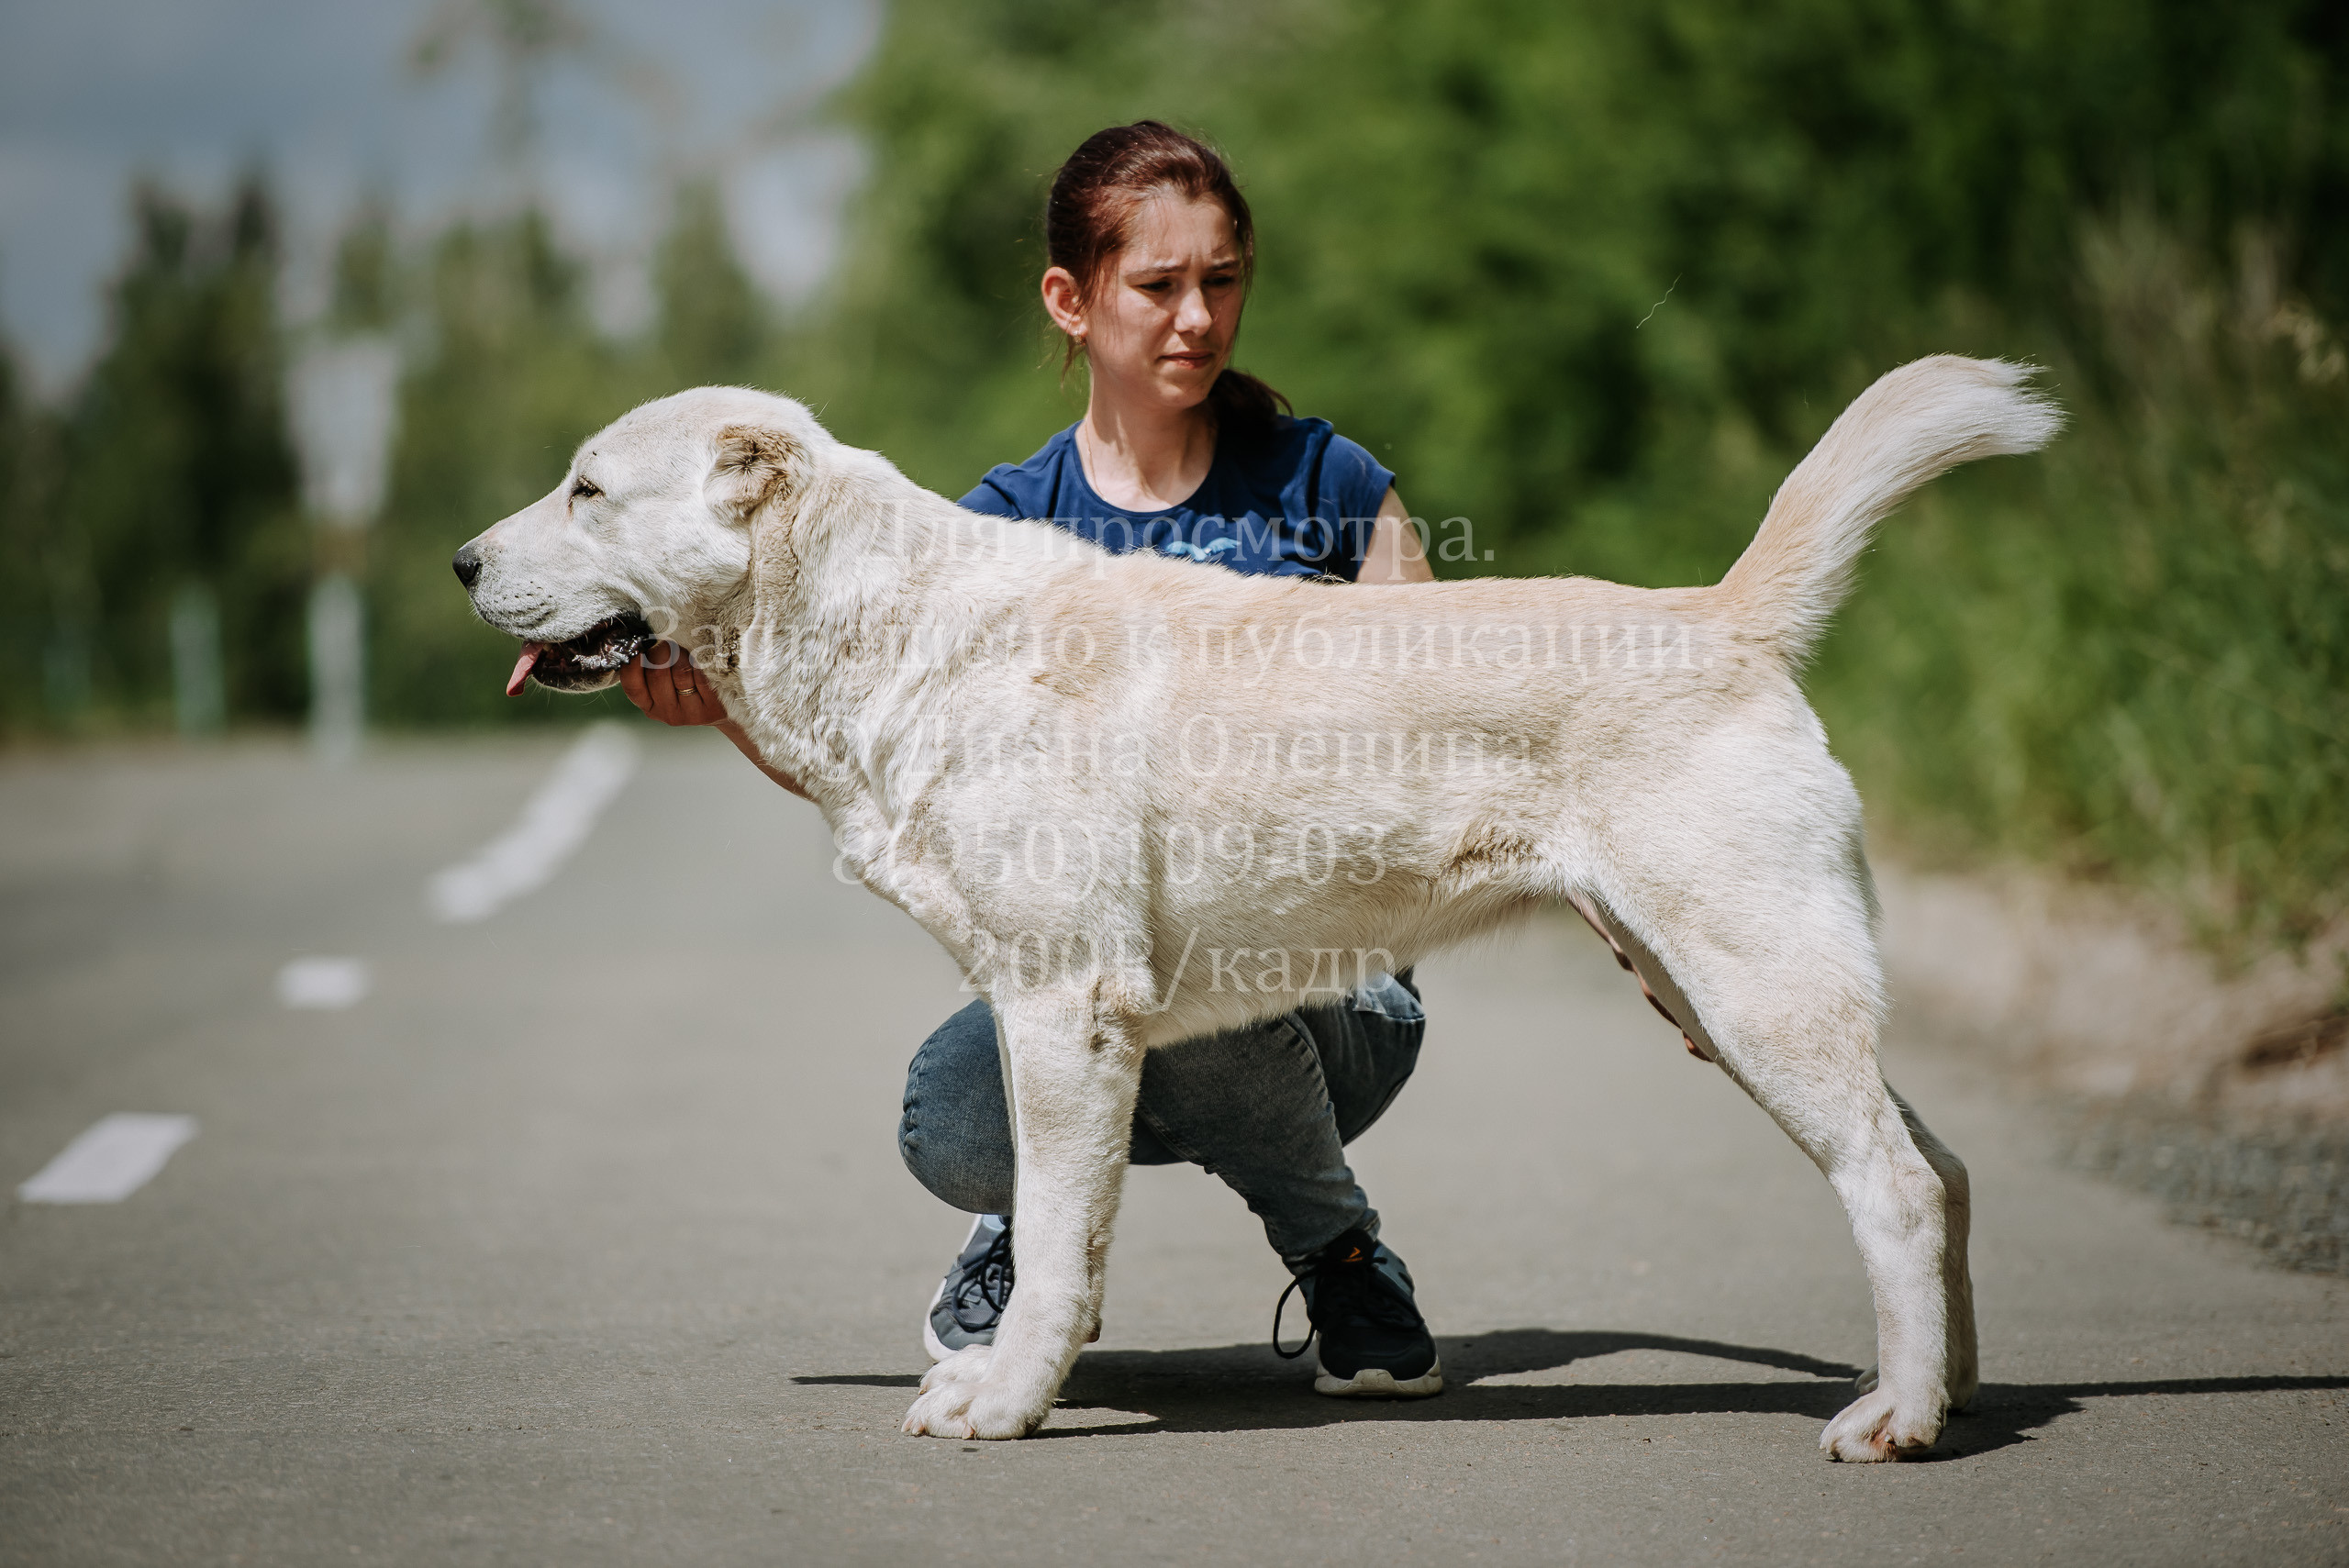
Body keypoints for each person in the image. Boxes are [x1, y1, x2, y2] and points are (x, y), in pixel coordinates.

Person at [620, 121, 1443, 1400]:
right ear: (1072, 299)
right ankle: (1028, 1226)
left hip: (1331, 984)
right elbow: (897, 769)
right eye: (1158, 285)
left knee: (1172, 962)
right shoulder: (1002, 527)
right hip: (1096, 965)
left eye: (1221, 280)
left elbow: (1467, 721)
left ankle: (1338, 1250)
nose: (1197, 317)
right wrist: (726, 702)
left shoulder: (1324, 482)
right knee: (953, 1109)